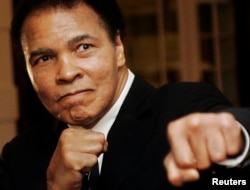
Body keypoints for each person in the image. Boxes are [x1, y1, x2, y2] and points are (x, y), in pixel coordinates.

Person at [1, 0, 250, 189]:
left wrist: (237, 140)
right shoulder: (19, 157)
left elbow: (233, 141)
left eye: (83, 47)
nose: (66, 73)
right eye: (44, 58)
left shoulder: (185, 106)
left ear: (118, 47)